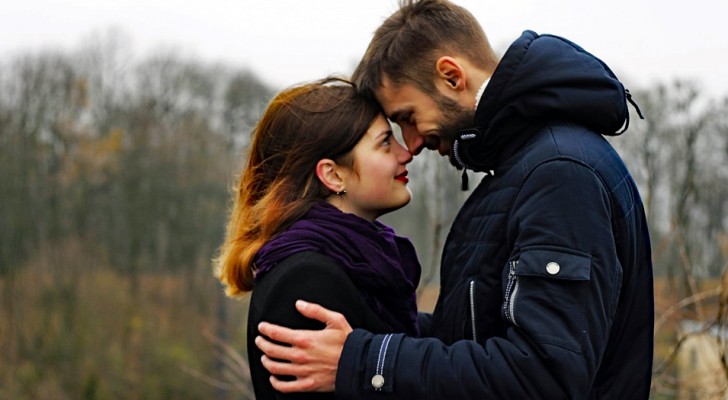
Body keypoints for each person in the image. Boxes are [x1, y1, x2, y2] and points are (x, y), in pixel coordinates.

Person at [254, 0, 655, 399]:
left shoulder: (560, 173)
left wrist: (367, 362)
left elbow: (543, 378)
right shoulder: (522, 169)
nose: (411, 144)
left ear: (450, 76)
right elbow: (473, 334)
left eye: (408, 117)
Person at [214, 78, 421, 399]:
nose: (406, 153)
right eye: (385, 142)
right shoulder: (305, 280)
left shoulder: (356, 262)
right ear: (333, 175)